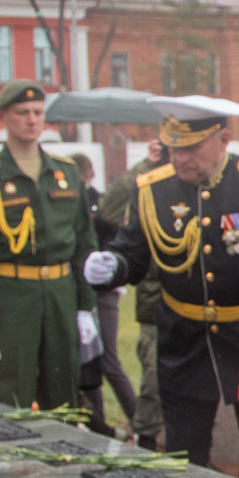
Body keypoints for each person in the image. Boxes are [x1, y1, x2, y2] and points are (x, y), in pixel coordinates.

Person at [86, 98, 239, 478]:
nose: (179, 158)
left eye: (190, 148)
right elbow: (134, 252)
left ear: (224, 140)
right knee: (184, 453)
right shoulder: (153, 189)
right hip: (185, 340)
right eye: (172, 147)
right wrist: (113, 267)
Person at [0, 81, 98, 410]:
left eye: (37, 113)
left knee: (64, 390)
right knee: (14, 392)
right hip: (12, 296)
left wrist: (84, 306)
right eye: (22, 113)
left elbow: (84, 246)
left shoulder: (66, 172)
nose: (32, 120)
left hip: (62, 292)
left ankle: (64, 458)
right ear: (2, 117)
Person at [99, 140, 168, 450]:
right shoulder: (149, 186)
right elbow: (109, 211)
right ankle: (147, 442)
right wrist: (144, 166)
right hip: (156, 302)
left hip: (198, 304)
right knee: (153, 384)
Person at [75, 150, 137, 430]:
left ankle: (139, 420)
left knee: (109, 359)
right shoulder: (70, 204)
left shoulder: (100, 203)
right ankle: (99, 425)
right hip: (81, 289)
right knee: (88, 363)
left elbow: (112, 233)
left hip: (103, 286)